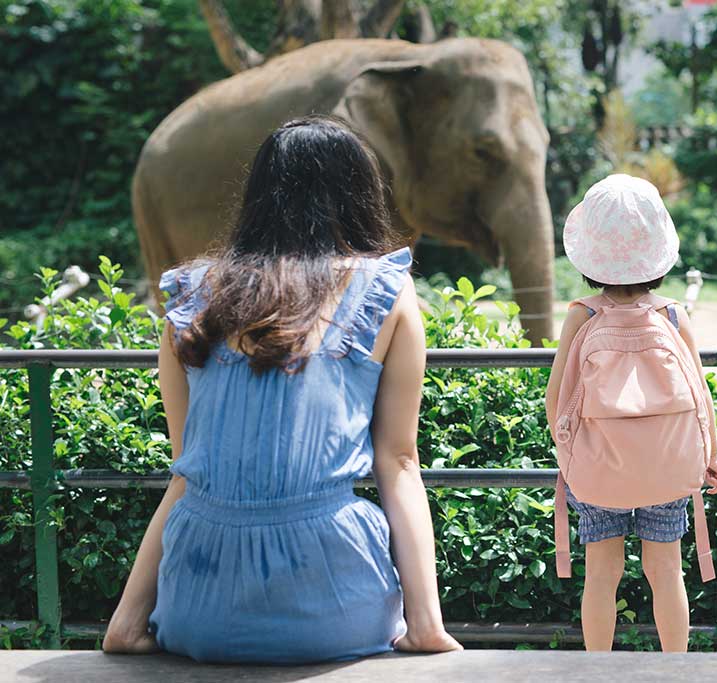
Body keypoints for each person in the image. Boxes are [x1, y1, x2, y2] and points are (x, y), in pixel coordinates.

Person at [102, 116, 462, 663]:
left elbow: (188, 470)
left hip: (199, 607)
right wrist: (426, 626)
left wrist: (126, 622)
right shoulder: (384, 289)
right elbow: (400, 462)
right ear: (358, 193)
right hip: (334, 605)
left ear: (259, 195)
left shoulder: (191, 297)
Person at [545, 174, 717, 653]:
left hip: (598, 465)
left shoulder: (582, 314)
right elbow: (700, 395)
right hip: (668, 465)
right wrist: (711, 454)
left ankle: (600, 672)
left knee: (601, 576)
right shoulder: (671, 315)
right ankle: (674, 671)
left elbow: (556, 398)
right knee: (666, 573)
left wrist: (569, 458)